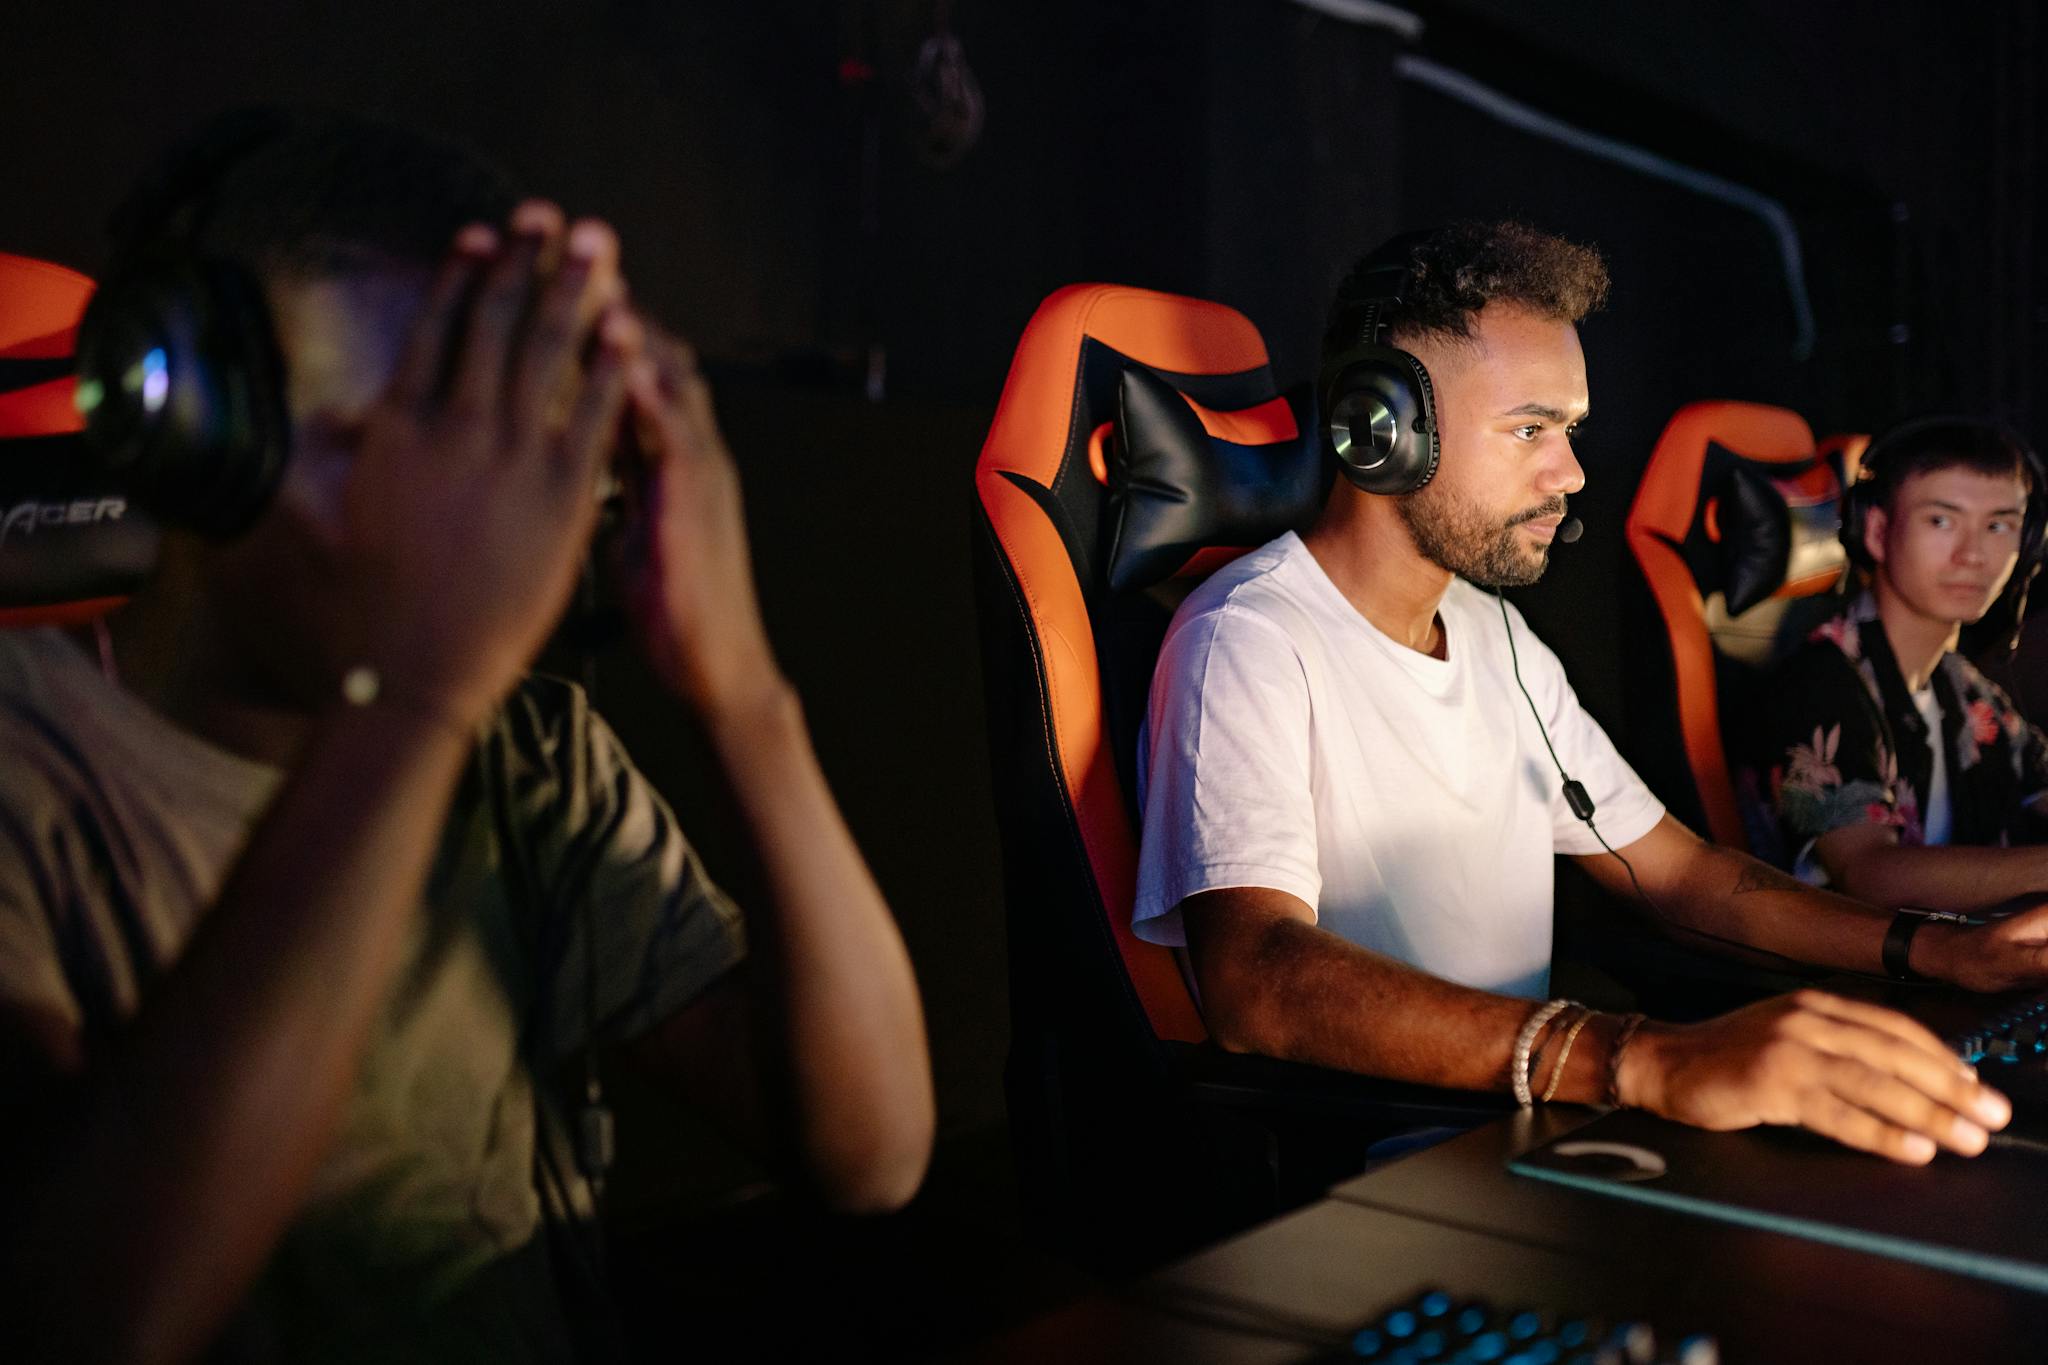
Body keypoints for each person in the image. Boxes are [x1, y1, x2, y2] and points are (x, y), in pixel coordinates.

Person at [0, 110, 932, 1365]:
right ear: (195, 424)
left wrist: (743, 693)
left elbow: (871, 1153)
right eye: (395, 451)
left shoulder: (531, 760)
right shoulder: (34, 767)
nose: (451, 530)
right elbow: (84, 1311)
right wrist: (417, 696)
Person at [1133, 220, 2048, 1171]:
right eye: (1530, 428)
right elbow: (1257, 978)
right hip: (1384, 1169)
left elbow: (1684, 877)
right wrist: (1644, 1059)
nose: (1570, 473)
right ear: (1383, 432)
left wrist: (1941, 950)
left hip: (1525, 1135)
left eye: (1568, 431)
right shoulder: (1251, 637)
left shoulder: (1496, 635)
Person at [1749, 417, 2048, 907]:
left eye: (1998, 526)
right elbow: (1868, 872)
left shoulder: (1965, 689)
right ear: (1876, 531)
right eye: (1941, 521)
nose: (1974, 555)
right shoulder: (1821, 682)